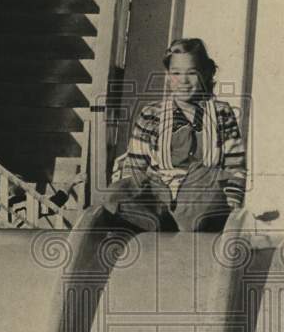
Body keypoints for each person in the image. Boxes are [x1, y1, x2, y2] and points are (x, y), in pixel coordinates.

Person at [104, 38, 247, 232]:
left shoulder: (221, 114)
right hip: (158, 195)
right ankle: (155, 225)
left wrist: (232, 205)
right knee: (115, 194)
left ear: (205, 74)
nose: (184, 81)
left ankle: (183, 229)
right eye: (176, 73)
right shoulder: (151, 114)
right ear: (168, 76)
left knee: (210, 196)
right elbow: (134, 166)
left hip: (200, 195)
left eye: (192, 73)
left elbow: (235, 167)